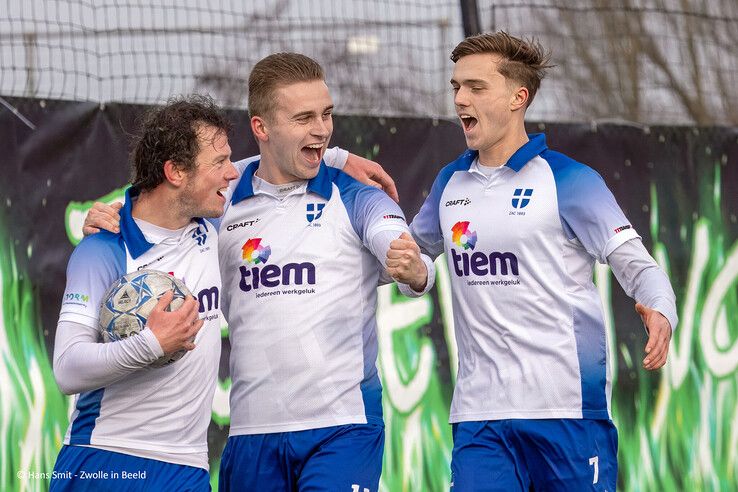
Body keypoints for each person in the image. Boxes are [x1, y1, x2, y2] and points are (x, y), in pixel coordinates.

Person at [83, 54, 432, 491]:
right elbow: (162, 207)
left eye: (326, 115)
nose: (322, 129)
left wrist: (415, 269)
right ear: (261, 128)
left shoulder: (358, 194)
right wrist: (113, 216)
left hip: (343, 427)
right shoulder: (224, 193)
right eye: (304, 117)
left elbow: (396, 241)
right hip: (251, 433)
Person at [407, 32, 678, 491]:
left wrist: (662, 309)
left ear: (519, 97)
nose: (460, 99)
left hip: (567, 412)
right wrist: (414, 275)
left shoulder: (570, 179)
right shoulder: (450, 182)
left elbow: (638, 265)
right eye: (456, 87)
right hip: (480, 418)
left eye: (475, 87)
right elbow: (409, 260)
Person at [51, 95, 238, 491]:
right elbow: (67, 368)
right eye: (219, 163)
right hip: (105, 461)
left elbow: (273, 169)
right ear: (175, 171)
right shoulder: (103, 248)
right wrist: (153, 342)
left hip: (187, 467)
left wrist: (340, 160)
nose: (232, 173)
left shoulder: (216, 227)